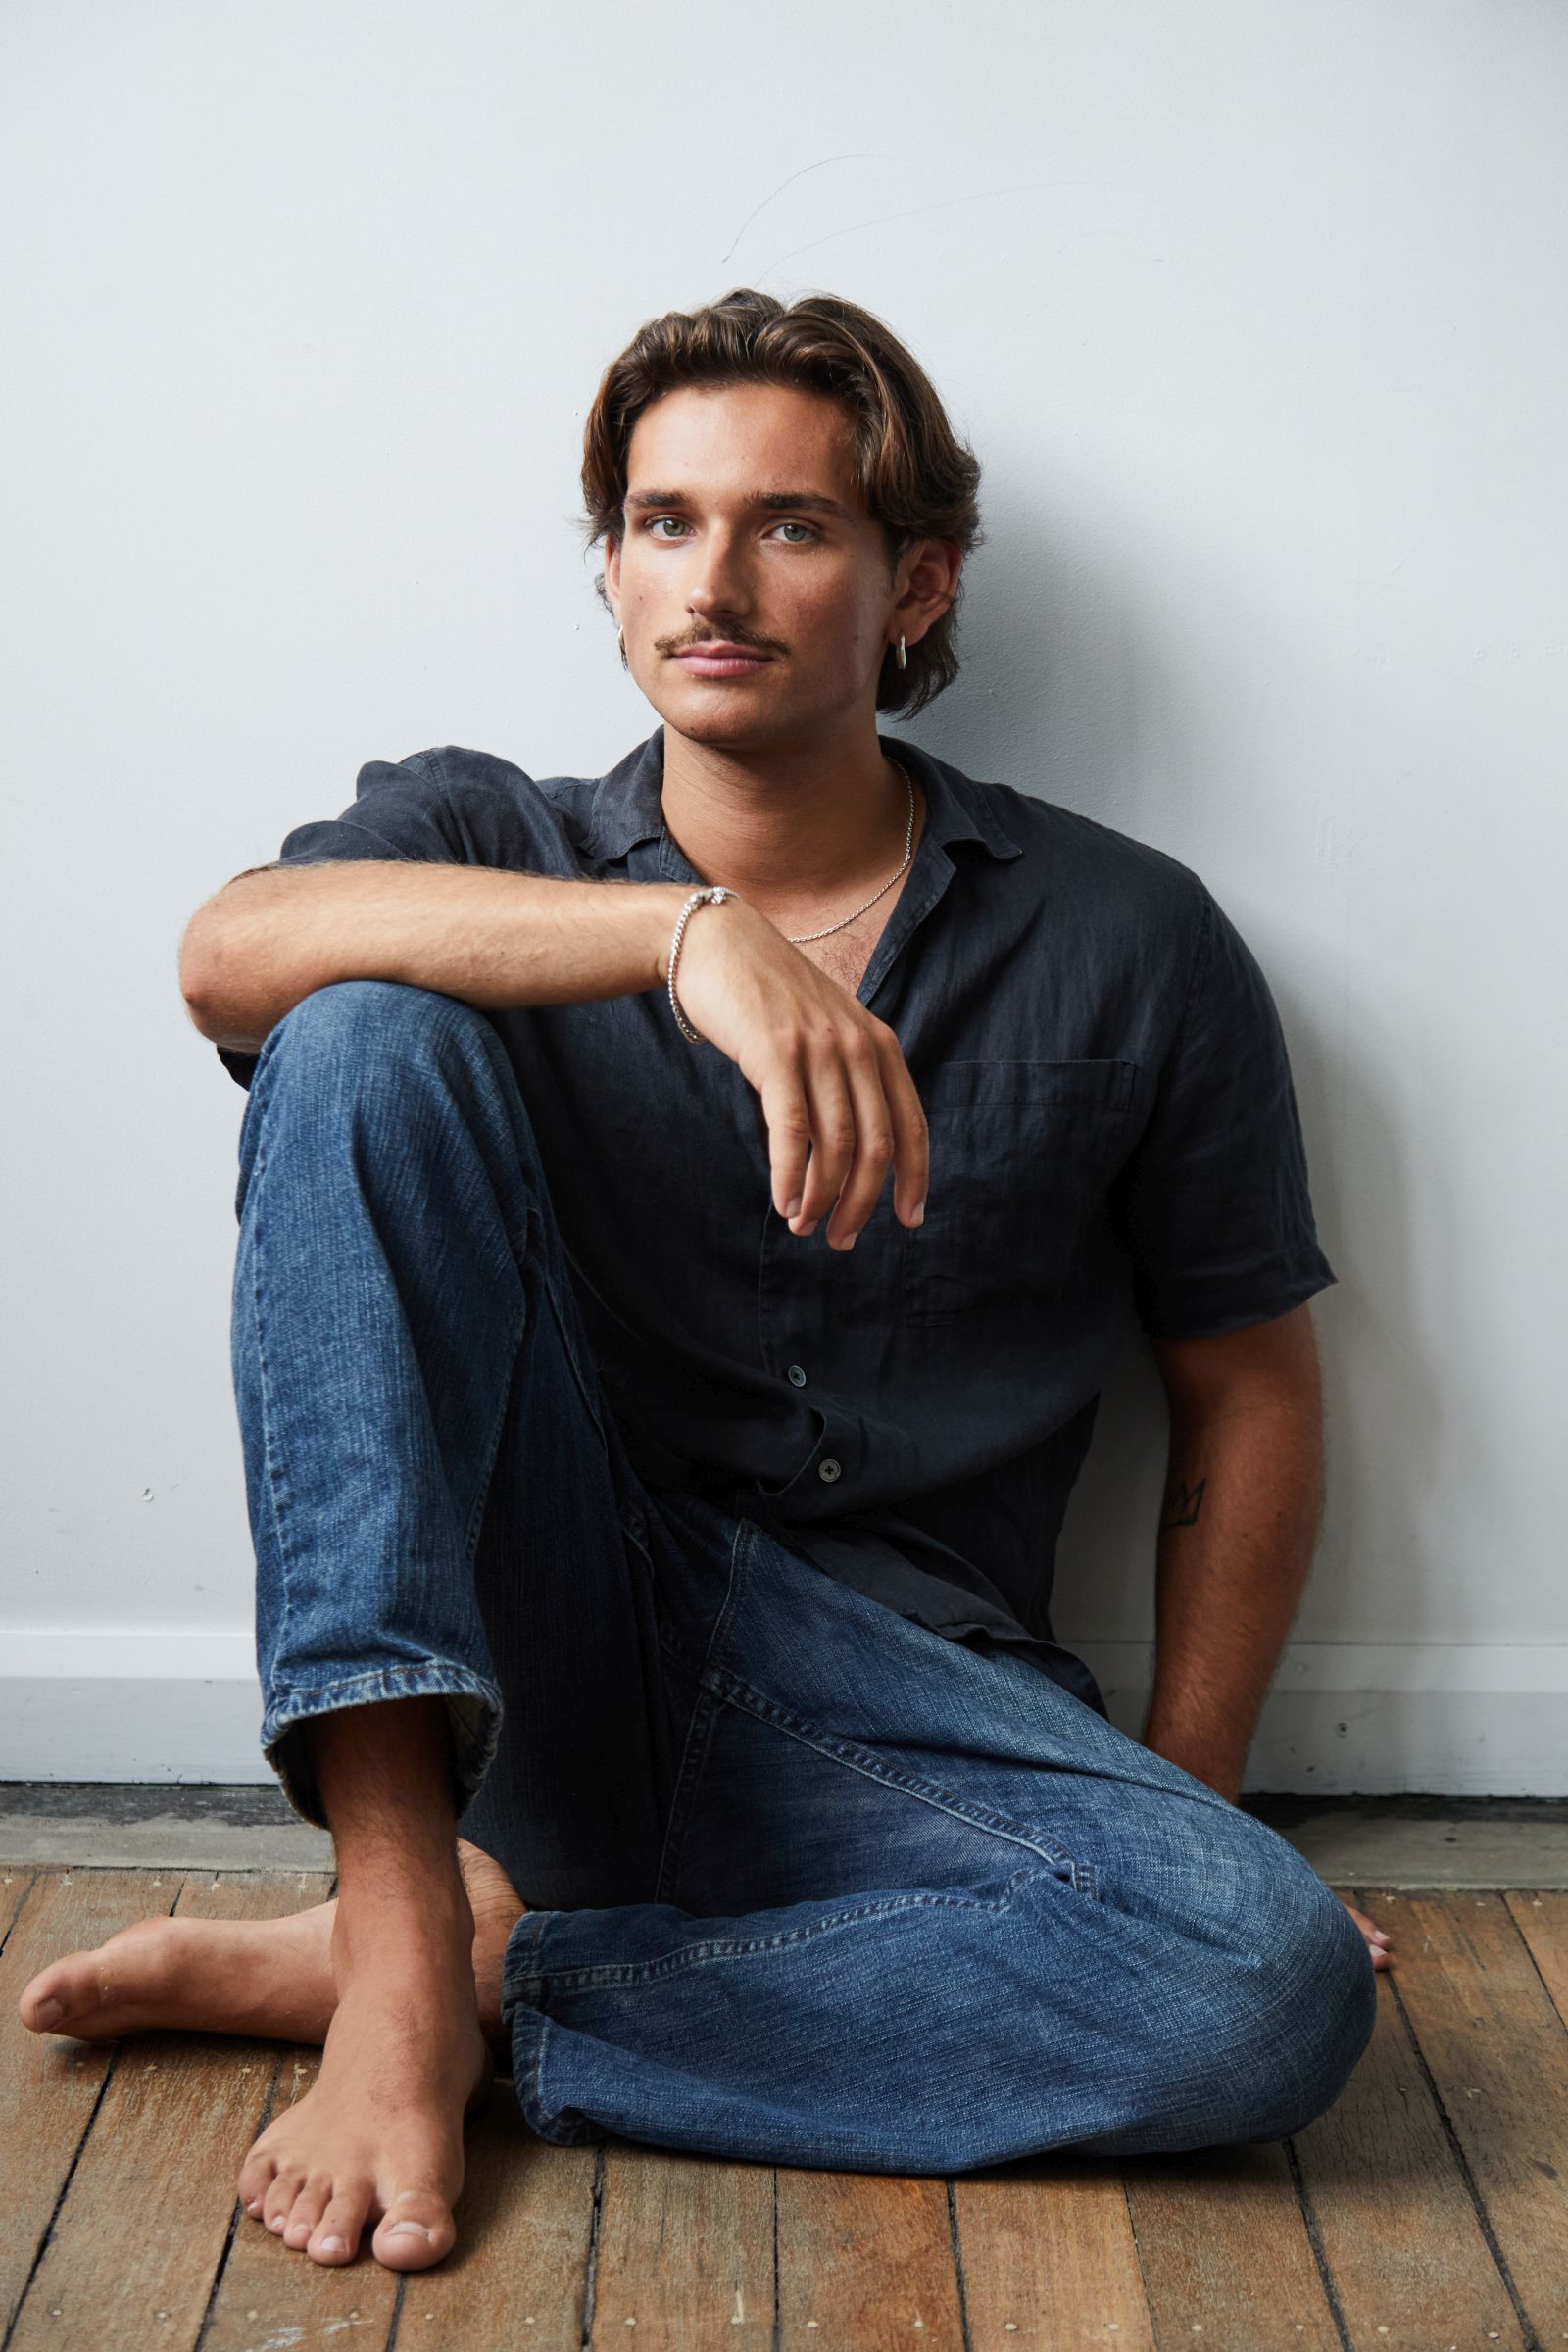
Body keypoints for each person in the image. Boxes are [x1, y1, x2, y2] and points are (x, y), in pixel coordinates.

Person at [19, 287, 1388, 2274]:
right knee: (359, 1029)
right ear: (606, 567)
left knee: (1265, 1985)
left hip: (892, 1708)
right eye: (662, 522)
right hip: (541, 1637)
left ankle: (511, 1985)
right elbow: (227, 951)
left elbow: (1246, 1390)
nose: (714, 578)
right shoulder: (490, 838)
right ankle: (398, 1932)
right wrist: (674, 941)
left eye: (791, 525)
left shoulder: (1127, 939)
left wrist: (1187, 1814)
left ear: (914, 585)